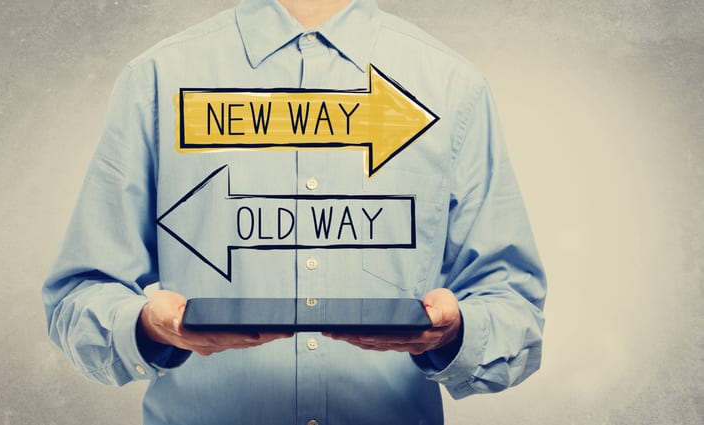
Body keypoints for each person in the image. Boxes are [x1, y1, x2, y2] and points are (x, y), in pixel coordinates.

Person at [42, 0, 547, 423]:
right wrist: (149, 326)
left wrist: (454, 330)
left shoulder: (452, 88)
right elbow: (79, 298)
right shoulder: (156, 80)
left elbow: (513, 308)